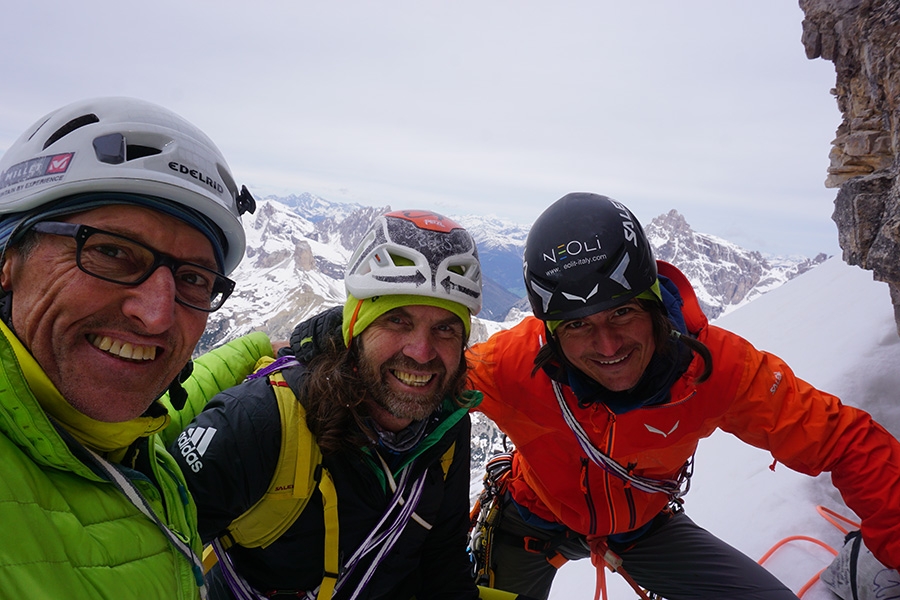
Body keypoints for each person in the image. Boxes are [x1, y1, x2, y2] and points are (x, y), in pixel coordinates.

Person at [465, 192, 900, 600]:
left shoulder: (711, 368)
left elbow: (843, 440)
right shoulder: (513, 362)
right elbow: (423, 387)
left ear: (653, 304)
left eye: (623, 312)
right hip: (530, 521)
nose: (609, 346)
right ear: (552, 332)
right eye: (578, 325)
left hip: (642, 529)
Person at [0, 97, 270, 599]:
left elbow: (187, 393)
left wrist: (257, 347)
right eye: (111, 251)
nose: (157, 315)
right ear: (9, 258)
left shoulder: (135, 447)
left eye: (192, 278)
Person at [172, 209, 496, 600]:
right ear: (356, 328)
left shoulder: (446, 424)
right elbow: (156, 560)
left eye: (445, 328)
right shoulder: (261, 421)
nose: (422, 352)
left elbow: (442, 566)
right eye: (396, 321)